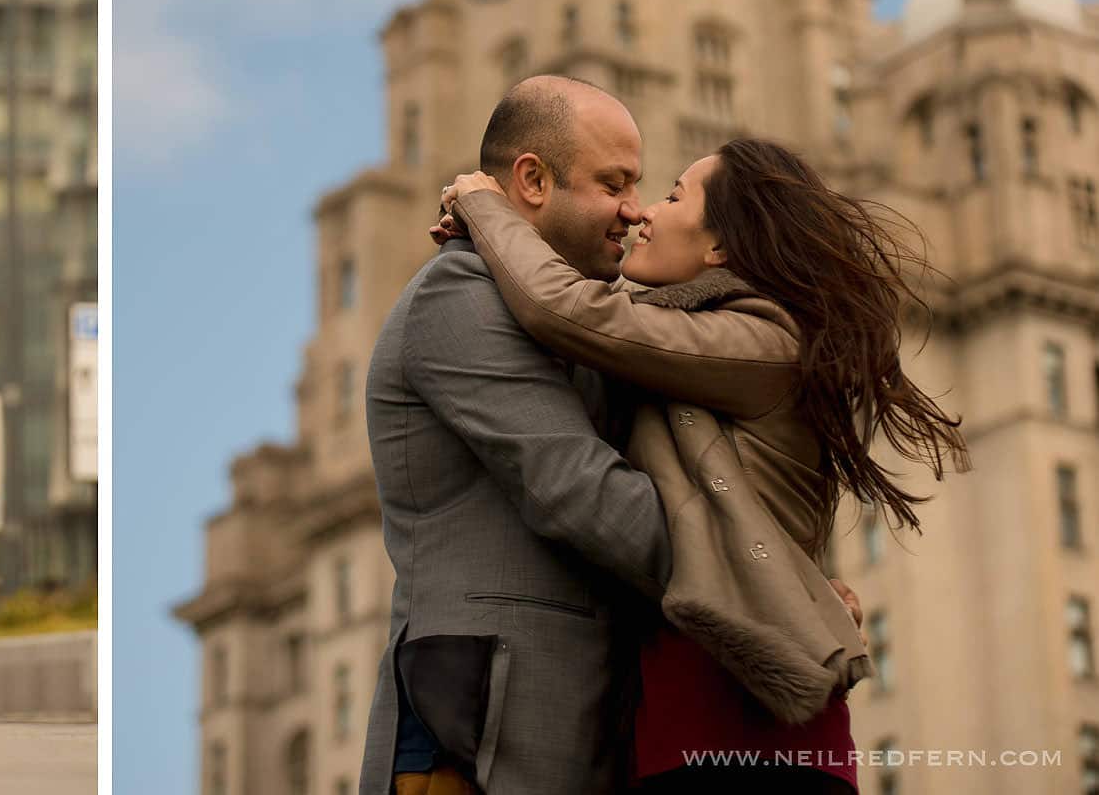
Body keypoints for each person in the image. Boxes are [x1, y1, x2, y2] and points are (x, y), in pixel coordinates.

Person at [439, 134, 966, 792]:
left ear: (718, 247)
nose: (642, 213)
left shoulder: (764, 342)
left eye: (671, 194)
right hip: (674, 737)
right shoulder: (688, 342)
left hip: (758, 748)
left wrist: (487, 207)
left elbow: (568, 311)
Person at [360, 75, 673, 795]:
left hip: (564, 732)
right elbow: (583, 495)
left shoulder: (574, 314)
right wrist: (763, 570)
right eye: (613, 183)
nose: (636, 207)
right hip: (474, 741)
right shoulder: (459, 294)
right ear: (532, 179)